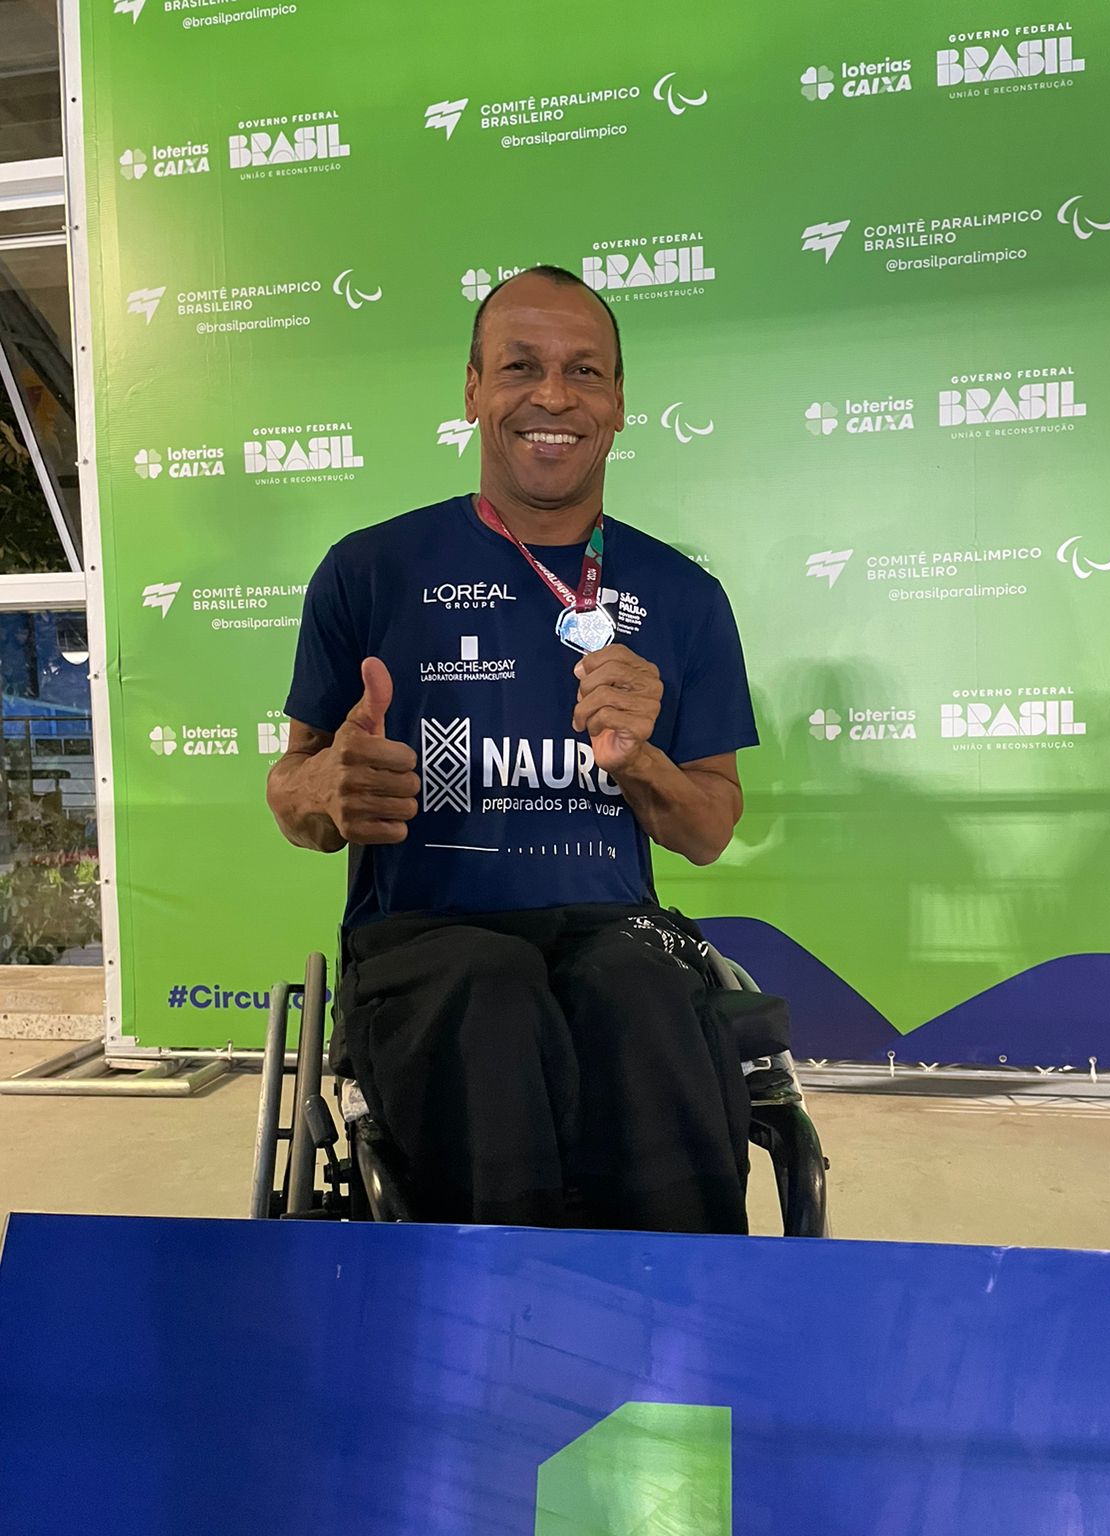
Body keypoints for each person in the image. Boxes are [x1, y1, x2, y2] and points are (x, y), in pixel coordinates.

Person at [267, 264, 760, 1233]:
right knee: (491, 994)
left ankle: (678, 1321)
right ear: (472, 390)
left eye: (585, 371)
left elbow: (708, 830)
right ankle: (494, 1312)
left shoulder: (686, 597)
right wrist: (325, 786)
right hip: (424, 940)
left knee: (645, 999)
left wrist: (642, 760)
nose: (554, 396)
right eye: (521, 366)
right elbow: (294, 792)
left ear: (619, 403)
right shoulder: (368, 572)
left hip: (611, 931)